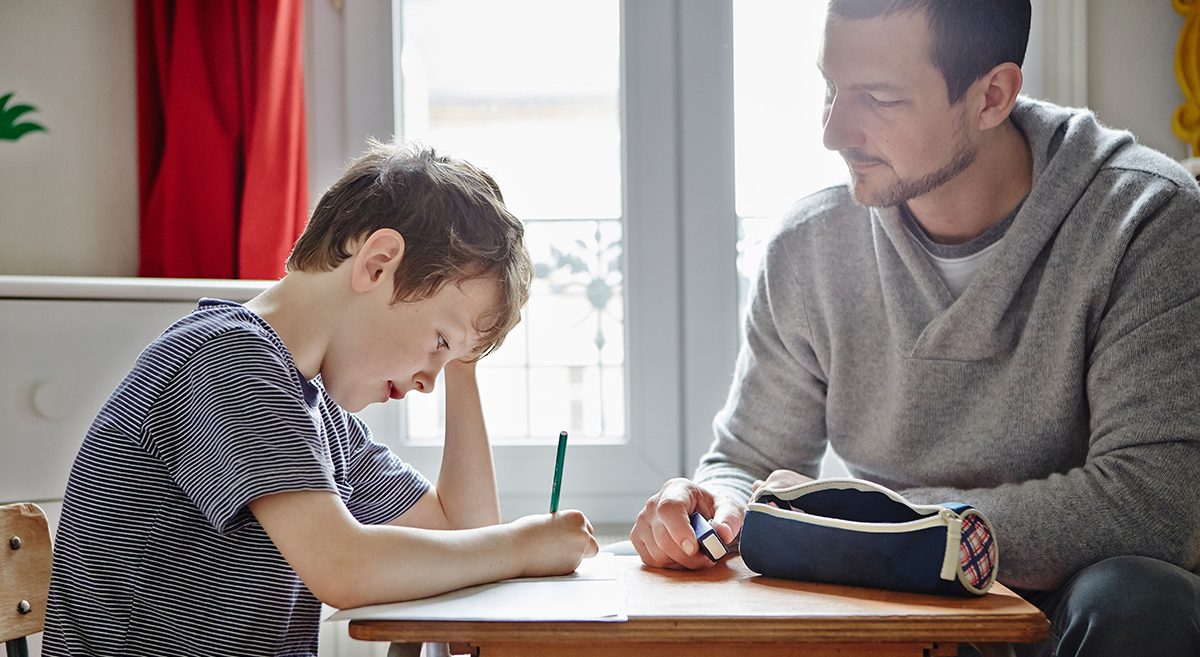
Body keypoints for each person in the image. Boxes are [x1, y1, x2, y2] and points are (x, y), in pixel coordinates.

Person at [630, 1, 1200, 655]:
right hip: (897, 609)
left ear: (992, 95)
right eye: (831, 88)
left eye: (878, 97)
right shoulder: (809, 246)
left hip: (1074, 615)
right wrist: (705, 502)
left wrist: (870, 523)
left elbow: (1154, 508)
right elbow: (750, 462)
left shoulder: (1147, 222)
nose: (833, 131)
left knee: (1137, 598)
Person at [43, 141, 599, 656]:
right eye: (437, 342)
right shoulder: (227, 359)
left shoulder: (313, 408)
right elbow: (345, 568)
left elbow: (463, 532)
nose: (428, 381)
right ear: (378, 263)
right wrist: (524, 547)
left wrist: (464, 358)